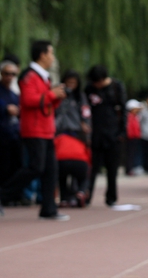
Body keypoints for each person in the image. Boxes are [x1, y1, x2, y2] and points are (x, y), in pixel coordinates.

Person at [0, 41, 69, 220]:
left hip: (46, 130)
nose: (53, 57)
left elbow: (46, 104)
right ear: (42, 55)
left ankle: (48, 209)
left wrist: (57, 97)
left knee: (51, 170)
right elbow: (29, 101)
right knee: (35, 168)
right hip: (34, 129)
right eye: (51, 53)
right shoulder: (29, 76)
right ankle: (3, 194)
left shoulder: (43, 77)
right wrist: (53, 94)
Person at [85, 65, 126, 207]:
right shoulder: (89, 89)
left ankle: (111, 197)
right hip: (95, 133)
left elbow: (123, 110)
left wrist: (122, 132)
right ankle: (86, 195)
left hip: (113, 133)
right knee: (92, 168)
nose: (97, 85)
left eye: (99, 82)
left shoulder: (116, 87)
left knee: (112, 168)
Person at [55, 69, 91, 207]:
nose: (71, 85)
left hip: (76, 133)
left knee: (78, 164)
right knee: (62, 167)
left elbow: (86, 113)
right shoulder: (59, 94)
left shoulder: (80, 97)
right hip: (60, 133)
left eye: (74, 83)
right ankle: (64, 196)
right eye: (69, 82)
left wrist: (85, 126)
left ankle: (78, 193)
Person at [0, 60, 22, 205]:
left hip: (14, 135)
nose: (10, 76)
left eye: (13, 74)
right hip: (1, 135)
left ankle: (9, 197)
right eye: (7, 73)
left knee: (14, 166)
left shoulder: (14, 94)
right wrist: (5, 109)